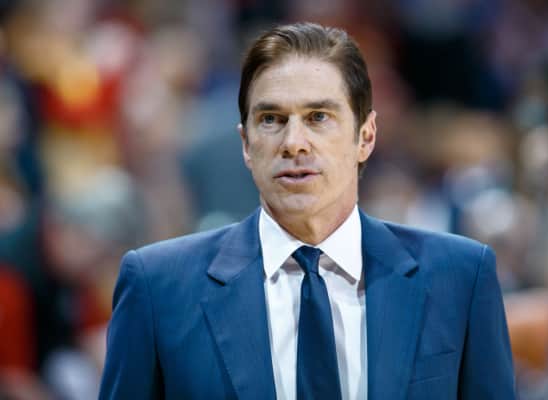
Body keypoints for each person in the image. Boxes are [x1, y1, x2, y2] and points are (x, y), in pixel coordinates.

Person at [99, 22, 516, 399]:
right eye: (271, 119)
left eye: (318, 117)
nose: (293, 143)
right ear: (246, 145)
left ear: (366, 136)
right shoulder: (159, 287)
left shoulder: (460, 277)